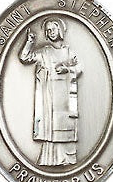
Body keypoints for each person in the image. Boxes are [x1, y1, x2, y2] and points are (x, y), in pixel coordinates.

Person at [19, 18, 83, 166]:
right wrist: (29, 42)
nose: (51, 32)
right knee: (51, 127)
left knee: (66, 126)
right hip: (50, 97)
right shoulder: (45, 52)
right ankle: (51, 159)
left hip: (66, 97)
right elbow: (25, 57)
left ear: (60, 30)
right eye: (48, 30)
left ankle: (67, 159)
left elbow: (79, 68)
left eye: (53, 29)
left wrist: (67, 69)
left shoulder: (69, 51)